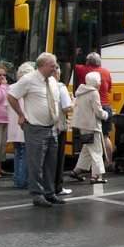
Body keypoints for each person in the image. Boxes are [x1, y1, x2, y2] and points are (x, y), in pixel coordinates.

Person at [7, 52, 63, 208]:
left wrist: (57, 122)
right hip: (35, 128)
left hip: (51, 127)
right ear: (42, 65)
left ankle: (49, 192)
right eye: (52, 65)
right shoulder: (29, 80)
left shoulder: (51, 81)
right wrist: (20, 114)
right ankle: (38, 195)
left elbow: (54, 103)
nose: (55, 68)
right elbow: (11, 96)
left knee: (51, 163)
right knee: (36, 163)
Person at [75, 52, 114, 169]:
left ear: (87, 62)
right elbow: (110, 89)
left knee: (91, 137)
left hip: (92, 108)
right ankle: (108, 162)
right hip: (106, 106)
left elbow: (69, 64)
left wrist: (76, 53)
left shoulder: (82, 69)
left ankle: (91, 167)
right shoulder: (106, 72)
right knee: (106, 137)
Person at [70, 71, 109, 184]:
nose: (100, 83)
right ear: (96, 82)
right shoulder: (94, 93)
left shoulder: (81, 91)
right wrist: (106, 115)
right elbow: (98, 111)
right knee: (97, 151)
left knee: (87, 149)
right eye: (100, 81)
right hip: (92, 125)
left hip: (82, 125)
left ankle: (76, 171)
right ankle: (96, 177)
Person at [6, 62, 35, 189]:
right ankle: (23, 180)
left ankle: (17, 178)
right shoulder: (28, 89)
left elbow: (5, 106)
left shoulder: (11, 88)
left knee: (18, 154)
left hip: (13, 128)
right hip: (24, 127)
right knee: (25, 155)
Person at [53, 63, 74, 196]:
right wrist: (74, 101)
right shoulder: (61, 87)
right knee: (59, 158)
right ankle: (58, 186)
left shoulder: (44, 86)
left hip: (47, 126)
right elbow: (67, 108)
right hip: (60, 126)